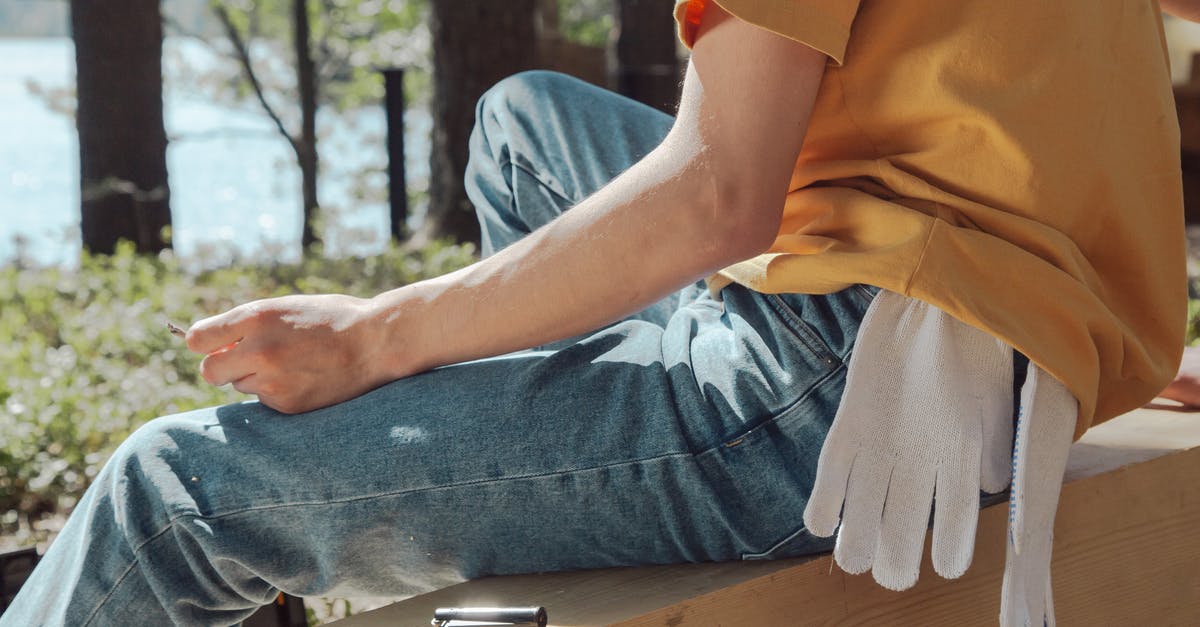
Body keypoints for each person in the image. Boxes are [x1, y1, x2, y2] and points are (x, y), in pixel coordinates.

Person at [3, 1, 1188, 624]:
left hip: (853, 393)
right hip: (990, 314)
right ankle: (551, 462)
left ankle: (583, 449)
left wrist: (377, 335)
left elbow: (717, 198)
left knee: (174, 494)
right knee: (526, 122)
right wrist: (1077, 303)